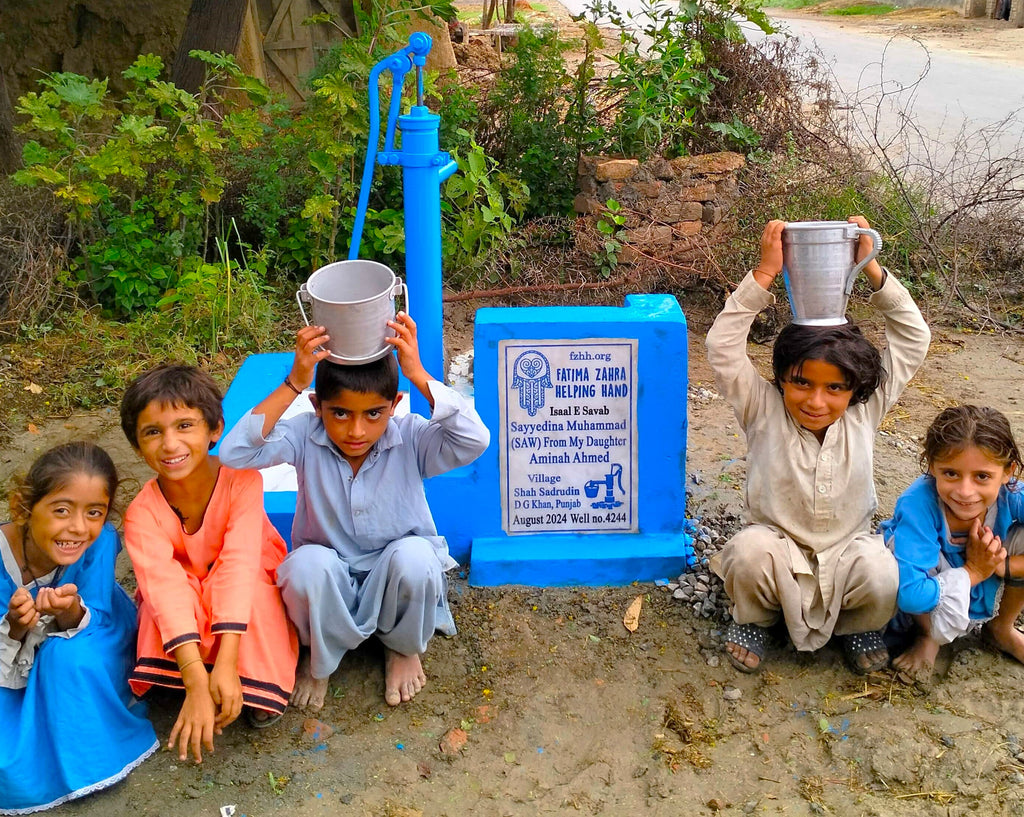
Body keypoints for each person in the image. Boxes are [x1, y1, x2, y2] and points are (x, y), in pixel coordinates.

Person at [218, 312, 490, 710]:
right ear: (317, 407)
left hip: (397, 577)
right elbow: (234, 452)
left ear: (395, 405)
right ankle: (321, 655)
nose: (356, 431)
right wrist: (294, 381)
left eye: (373, 414)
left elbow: (474, 439)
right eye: (340, 413)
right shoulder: (304, 436)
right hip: (332, 579)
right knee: (305, 567)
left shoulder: (412, 435)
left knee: (416, 557)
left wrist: (417, 373)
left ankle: (401, 648)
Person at [707, 217, 931, 674]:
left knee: (881, 570)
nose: (815, 400)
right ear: (781, 379)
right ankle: (756, 620)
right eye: (801, 383)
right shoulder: (762, 409)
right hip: (776, 548)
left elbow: (914, 338)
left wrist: (870, 266)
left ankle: (857, 626)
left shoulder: (865, 412)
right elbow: (723, 346)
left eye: (834, 388)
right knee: (749, 554)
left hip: (846, 552)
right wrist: (765, 274)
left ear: (856, 389)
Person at [120, 365, 298, 764]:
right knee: (163, 596)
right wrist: (196, 680)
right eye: (152, 432)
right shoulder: (141, 513)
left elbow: (238, 564)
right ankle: (196, 675)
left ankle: (247, 675)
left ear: (215, 430)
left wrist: (229, 661)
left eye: (185, 425)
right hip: (187, 589)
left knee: (249, 588)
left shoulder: (242, 481)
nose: (170, 444)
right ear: (137, 446)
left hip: (245, 578)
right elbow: (163, 587)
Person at [0, 442, 158, 814]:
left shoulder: (99, 543)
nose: (77, 528)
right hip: (9, 660)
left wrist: (69, 610)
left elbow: (97, 615)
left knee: (64, 658)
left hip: (92, 635)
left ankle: (88, 754)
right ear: (24, 508)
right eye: (60, 510)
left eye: (94, 512)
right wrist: (15, 627)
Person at [880, 405, 1024, 680]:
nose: (965, 492)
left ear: (1008, 472)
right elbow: (911, 595)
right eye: (951, 473)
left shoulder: (1012, 495)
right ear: (932, 465)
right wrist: (973, 571)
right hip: (921, 602)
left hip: (973, 578)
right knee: (897, 550)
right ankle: (928, 637)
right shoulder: (919, 504)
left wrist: (1002, 566)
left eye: (982, 476)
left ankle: (1002, 629)